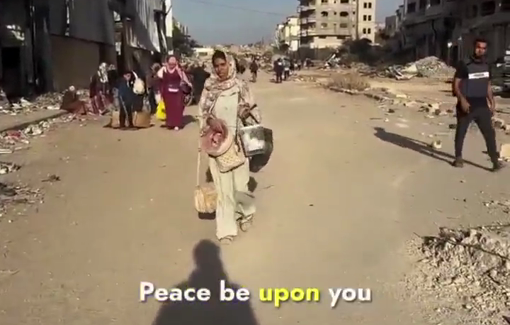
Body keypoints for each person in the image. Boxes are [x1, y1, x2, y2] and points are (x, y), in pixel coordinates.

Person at [198, 50, 259, 245]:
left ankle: (245, 214)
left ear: (230, 65)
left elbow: (256, 113)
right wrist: (210, 120)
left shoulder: (241, 87)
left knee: (240, 186)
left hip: (239, 143)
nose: (219, 69)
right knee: (223, 189)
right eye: (216, 65)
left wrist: (246, 113)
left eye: (222, 64)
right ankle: (226, 229)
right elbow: (203, 113)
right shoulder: (209, 89)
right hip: (218, 143)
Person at [452, 37, 503, 171]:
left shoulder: (487, 65)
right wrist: (462, 100)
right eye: (478, 47)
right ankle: (458, 157)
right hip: (467, 104)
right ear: (474, 48)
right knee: (461, 132)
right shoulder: (465, 64)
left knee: (490, 134)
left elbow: (487, 84)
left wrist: (492, 101)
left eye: (483, 48)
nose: (480, 50)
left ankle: (495, 162)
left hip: (481, 104)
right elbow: (456, 84)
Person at [157, 55, 192, 130]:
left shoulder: (179, 70)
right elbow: (158, 76)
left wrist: (188, 83)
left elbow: (183, 77)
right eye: (170, 63)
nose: (172, 64)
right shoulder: (164, 69)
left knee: (178, 107)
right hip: (167, 92)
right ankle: (170, 123)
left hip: (177, 92)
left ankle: (177, 124)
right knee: (169, 108)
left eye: (174, 62)